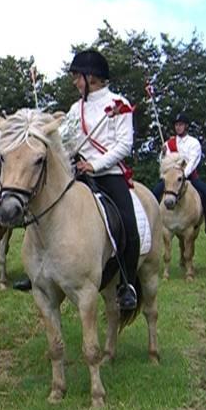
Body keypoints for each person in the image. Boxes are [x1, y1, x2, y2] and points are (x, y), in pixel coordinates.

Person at [13, 50, 139, 311]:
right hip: (77, 172)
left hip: (109, 174)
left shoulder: (119, 103)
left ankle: (126, 284)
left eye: (76, 77)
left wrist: (96, 163)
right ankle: (36, 271)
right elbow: (67, 142)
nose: (74, 82)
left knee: (128, 224)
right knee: (40, 210)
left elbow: (125, 144)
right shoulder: (75, 108)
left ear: (90, 77)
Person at [151, 113, 206, 236]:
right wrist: (162, 154)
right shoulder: (168, 143)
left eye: (181, 125)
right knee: (154, 193)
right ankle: (153, 221)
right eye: (176, 125)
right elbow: (163, 162)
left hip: (189, 176)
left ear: (186, 126)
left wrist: (183, 175)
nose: (178, 127)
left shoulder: (193, 143)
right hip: (172, 178)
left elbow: (193, 161)